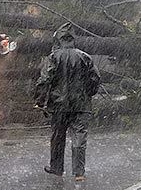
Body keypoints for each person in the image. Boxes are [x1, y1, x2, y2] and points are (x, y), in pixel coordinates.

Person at [34, 23, 100, 181]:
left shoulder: (54, 57)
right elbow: (95, 78)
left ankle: (57, 169)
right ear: (72, 39)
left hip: (59, 105)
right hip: (81, 106)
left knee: (58, 137)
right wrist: (88, 93)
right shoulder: (85, 57)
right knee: (79, 138)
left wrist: (40, 101)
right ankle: (79, 173)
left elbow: (44, 80)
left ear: (58, 39)